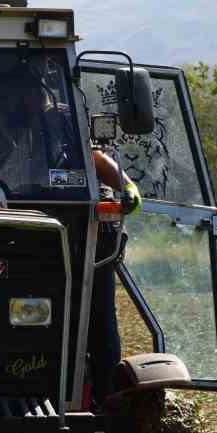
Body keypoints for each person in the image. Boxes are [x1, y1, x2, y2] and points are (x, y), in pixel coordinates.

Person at [88, 147, 143, 401]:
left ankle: (105, 409)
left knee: (102, 332)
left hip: (90, 247)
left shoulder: (61, 122)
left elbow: (95, 157)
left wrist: (128, 187)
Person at [0, 61, 75, 194]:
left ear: (33, 94)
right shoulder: (13, 154)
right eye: (0, 103)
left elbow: (88, 172)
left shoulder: (62, 120)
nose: (4, 110)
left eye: (6, 99)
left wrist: (45, 183)